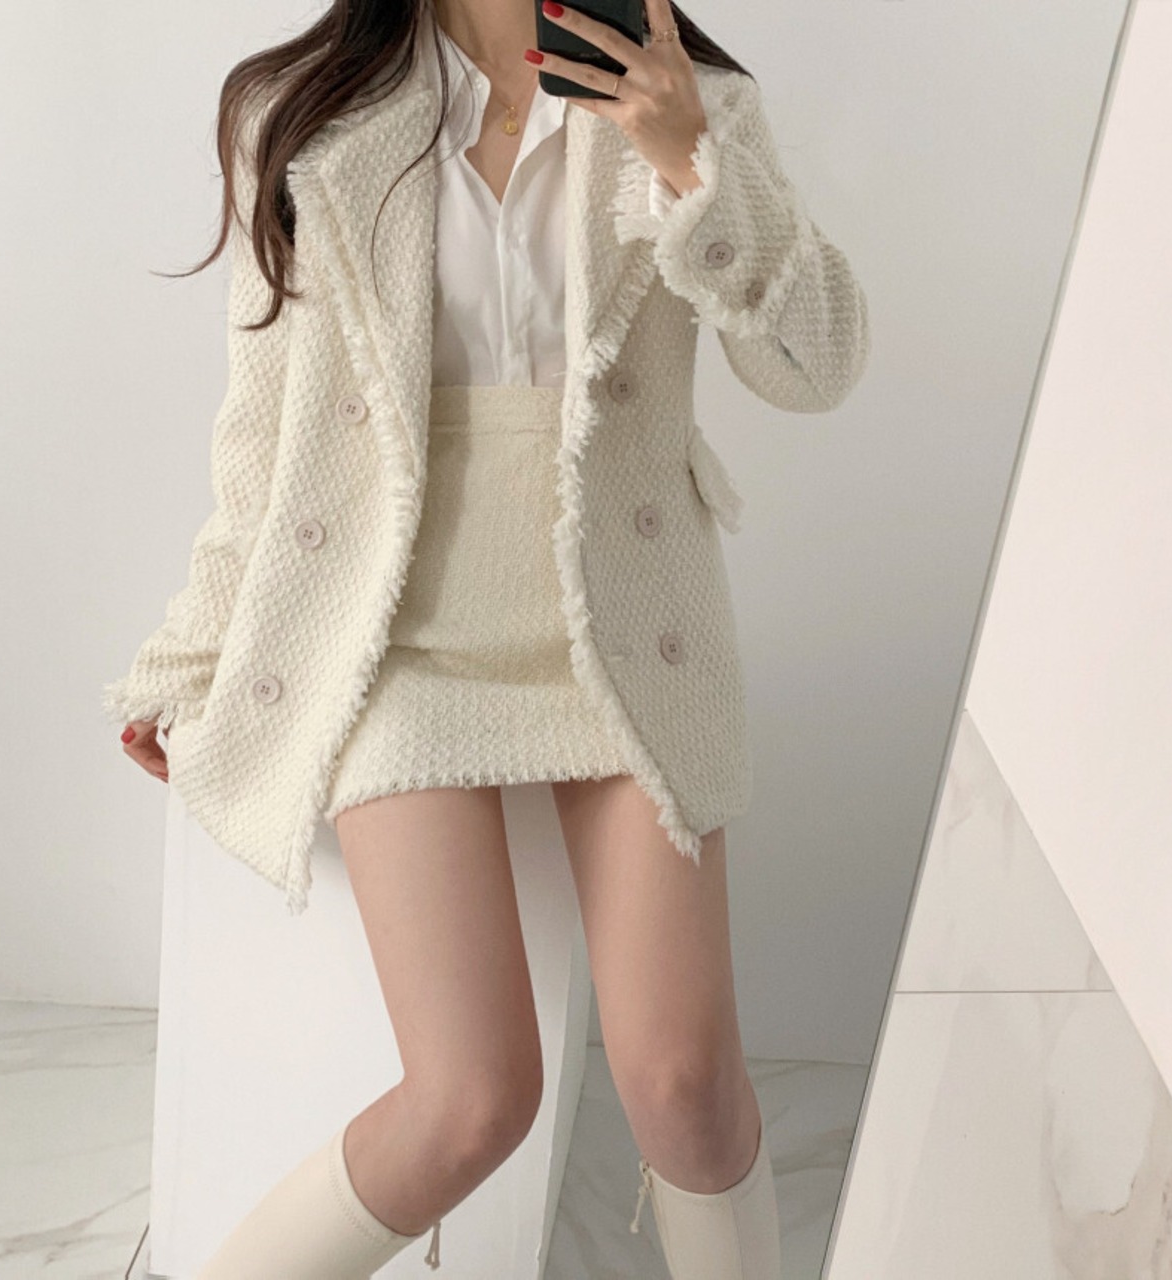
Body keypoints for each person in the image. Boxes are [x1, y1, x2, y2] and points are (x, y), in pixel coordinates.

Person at [107, 0, 869, 1275]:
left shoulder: (691, 100)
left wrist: (691, 161)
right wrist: (190, 656)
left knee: (684, 1081)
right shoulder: (304, 116)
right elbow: (265, 441)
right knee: (469, 1099)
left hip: (624, 626)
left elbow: (820, 364)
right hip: (396, 637)